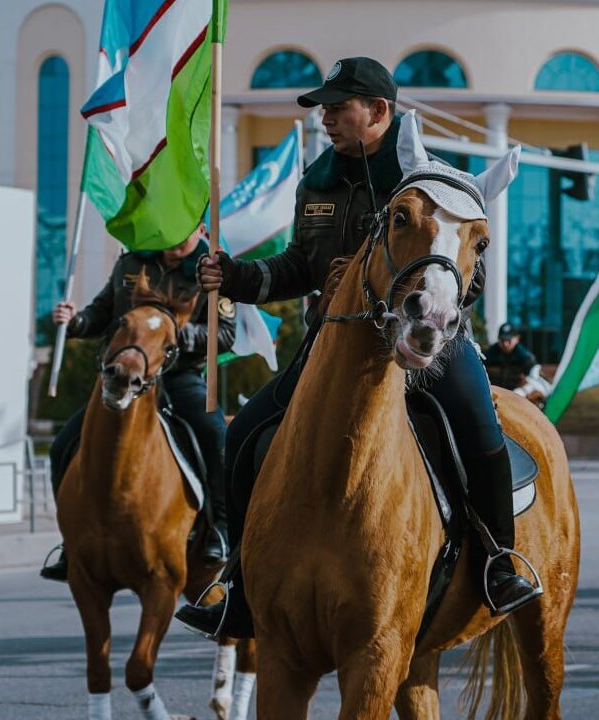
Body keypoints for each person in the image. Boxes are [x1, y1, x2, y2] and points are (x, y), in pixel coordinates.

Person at [174, 57, 540, 638]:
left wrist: (401, 289)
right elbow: (300, 266)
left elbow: (471, 275)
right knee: (242, 435)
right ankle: (240, 585)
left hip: (429, 342)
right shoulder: (315, 182)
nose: (325, 118)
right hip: (336, 342)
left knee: (480, 429)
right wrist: (236, 277)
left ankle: (500, 561)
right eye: (324, 108)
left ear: (378, 111)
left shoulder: (425, 175)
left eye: (337, 107)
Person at [41, 223, 235, 581]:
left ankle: (220, 531)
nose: (173, 234)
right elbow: (101, 315)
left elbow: (224, 335)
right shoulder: (130, 263)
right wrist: (75, 321)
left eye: (183, 226)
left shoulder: (213, 270)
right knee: (62, 446)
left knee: (216, 436)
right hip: (124, 378)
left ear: (201, 229)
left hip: (179, 376)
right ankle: (72, 542)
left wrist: (169, 334)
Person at [483, 322, 538, 390]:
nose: (505, 344)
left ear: (517, 338)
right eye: (502, 340)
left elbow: (533, 380)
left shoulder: (525, 358)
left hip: (516, 394)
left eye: (508, 340)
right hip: (493, 392)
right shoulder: (488, 355)